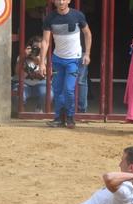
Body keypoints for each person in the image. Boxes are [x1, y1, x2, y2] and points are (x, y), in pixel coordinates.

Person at [39, 0, 91, 129]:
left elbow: (87, 34)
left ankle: (70, 117)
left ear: (69, 1)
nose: (61, 1)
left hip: (74, 59)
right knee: (57, 90)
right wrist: (42, 62)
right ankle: (58, 118)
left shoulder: (77, 15)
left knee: (69, 89)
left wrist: (87, 53)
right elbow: (45, 41)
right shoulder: (50, 17)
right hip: (57, 59)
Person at [13, 36, 48, 112]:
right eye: (34, 48)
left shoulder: (45, 58)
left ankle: (39, 109)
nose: (37, 50)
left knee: (48, 94)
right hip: (25, 84)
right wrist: (23, 57)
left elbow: (48, 74)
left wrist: (40, 62)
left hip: (40, 84)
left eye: (40, 48)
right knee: (18, 94)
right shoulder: (22, 57)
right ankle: (22, 112)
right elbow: (17, 72)